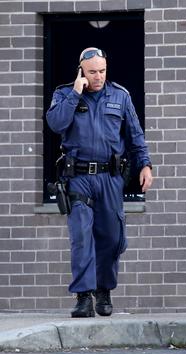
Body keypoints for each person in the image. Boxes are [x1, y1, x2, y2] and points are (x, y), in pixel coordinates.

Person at [46, 47, 153, 317]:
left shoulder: (120, 95)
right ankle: (83, 297)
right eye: (92, 71)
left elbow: (135, 135)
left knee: (111, 237)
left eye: (102, 71)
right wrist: (75, 94)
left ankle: (104, 290)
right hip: (78, 178)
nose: (98, 76)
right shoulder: (64, 94)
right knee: (82, 237)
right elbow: (56, 124)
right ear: (81, 70)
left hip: (110, 177)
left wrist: (145, 165)